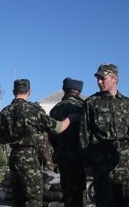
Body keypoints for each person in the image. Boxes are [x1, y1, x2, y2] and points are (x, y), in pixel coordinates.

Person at [1, 79, 77, 206]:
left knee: (18, 198)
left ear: (13, 91)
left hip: (14, 157)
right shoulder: (34, 110)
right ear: (29, 92)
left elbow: (3, 139)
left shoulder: (5, 112)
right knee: (34, 198)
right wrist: (71, 118)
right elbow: (57, 128)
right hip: (30, 158)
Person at [80, 63, 129, 207]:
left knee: (124, 200)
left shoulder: (128, 104)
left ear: (115, 79)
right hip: (100, 160)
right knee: (104, 201)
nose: (99, 82)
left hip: (122, 159)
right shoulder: (91, 103)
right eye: (98, 78)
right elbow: (84, 134)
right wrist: (86, 163)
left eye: (103, 78)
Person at [49, 77, 86, 207]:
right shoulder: (83, 107)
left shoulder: (55, 109)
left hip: (63, 157)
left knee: (67, 193)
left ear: (64, 91)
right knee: (81, 195)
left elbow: (51, 135)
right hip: (80, 157)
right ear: (79, 93)